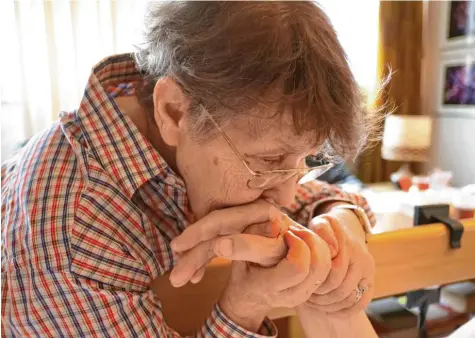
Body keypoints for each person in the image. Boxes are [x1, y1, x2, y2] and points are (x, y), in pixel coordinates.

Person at [1, 2, 380, 337]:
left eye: (307, 162)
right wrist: (245, 306)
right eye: (267, 163)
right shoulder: (71, 235)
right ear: (174, 111)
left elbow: (317, 196)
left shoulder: (180, 142)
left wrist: (341, 222)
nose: (286, 195)